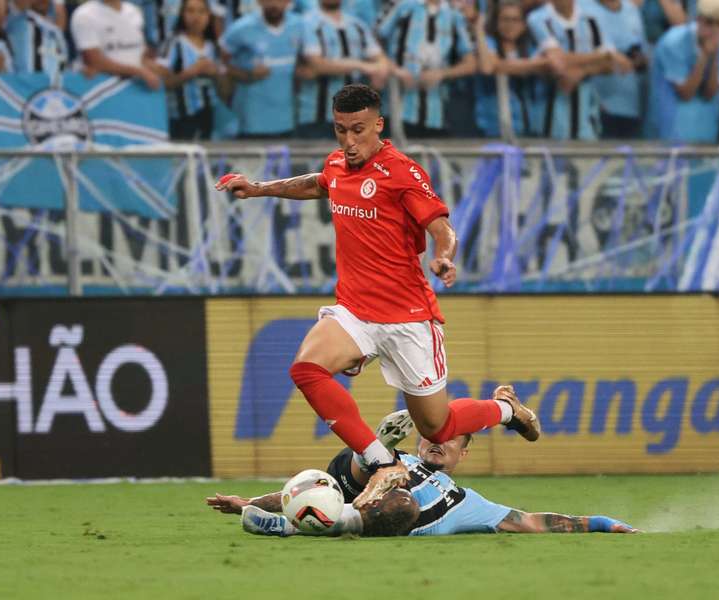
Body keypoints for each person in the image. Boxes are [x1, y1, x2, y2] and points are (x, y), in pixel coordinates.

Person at [215, 83, 540, 510]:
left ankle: (504, 409)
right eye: (340, 130)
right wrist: (258, 188)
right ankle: (382, 462)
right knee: (306, 369)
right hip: (355, 310)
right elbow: (319, 183)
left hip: (408, 318)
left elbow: (441, 226)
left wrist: (444, 258)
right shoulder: (337, 163)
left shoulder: (402, 171)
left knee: (438, 428)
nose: (349, 142)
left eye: (358, 130)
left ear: (379, 126)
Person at [207, 410, 638, 537]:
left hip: (393, 517)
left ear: (462, 455)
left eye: (450, 438)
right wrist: (246, 502)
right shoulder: (401, 461)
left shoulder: (468, 503)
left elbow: (529, 521)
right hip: (358, 488)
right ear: (420, 438)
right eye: (433, 432)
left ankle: (295, 529)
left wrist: (600, 523)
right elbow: (327, 488)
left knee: (403, 502)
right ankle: (298, 518)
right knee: (350, 471)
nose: (438, 440)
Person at [527, 0, 633, 140]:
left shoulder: (591, 19)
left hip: (586, 117)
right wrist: (605, 55)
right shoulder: (538, 18)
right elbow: (558, 60)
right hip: (549, 115)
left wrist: (583, 71)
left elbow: (617, 65)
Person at [378, 0, 477, 137]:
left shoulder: (455, 15)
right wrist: (396, 70)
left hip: (438, 114)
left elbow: (471, 64)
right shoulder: (401, 6)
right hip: (396, 108)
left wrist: (442, 74)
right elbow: (372, 44)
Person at [295, 0, 390, 138]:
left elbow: (380, 59)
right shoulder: (306, 23)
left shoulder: (357, 25)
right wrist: (362, 66)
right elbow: (316, 64)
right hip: (318, 116)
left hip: (355, 118)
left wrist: (380, 71)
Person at [650, 0, 719, 142]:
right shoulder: (673, 42)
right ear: (698, 19)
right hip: (672, 126)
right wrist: (704, 56)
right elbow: (686, 93)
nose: (714, 30)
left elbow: (710, 94)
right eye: (709, 22)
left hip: (705, 128)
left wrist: (714, 56)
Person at [219, 0, 305, 138]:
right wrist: (247, 75)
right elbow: (221, 65)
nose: (273, 4)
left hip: (288, 120)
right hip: (251, 122)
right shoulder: (241, 29)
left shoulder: (300, 25)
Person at [153, 0, 228, 140]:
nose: (196, 17)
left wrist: (216, 74)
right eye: (190, 11)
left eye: (201, 11)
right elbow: (161, 83)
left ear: (208, 15)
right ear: (182, 14)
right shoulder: (173, 43)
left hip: (211, 118)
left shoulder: (214, 47)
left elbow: (225, 91)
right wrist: (190, 72)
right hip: (181, 120)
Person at [473, 0, 547, 137]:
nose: (510, 25)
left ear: (524, 24)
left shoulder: (531, 47)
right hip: (492, 127)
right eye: (504, 20)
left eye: (515, 20)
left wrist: (501, 66)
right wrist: (479, 30)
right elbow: (488, 67)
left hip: (528, 126)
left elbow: (547, 65)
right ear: (497, 23)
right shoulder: (489, 43)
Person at [583, 0, 650, 139]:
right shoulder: (582, 8)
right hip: (598, 106)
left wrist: (639, 59)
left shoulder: (631, 10)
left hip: (631, 105)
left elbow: (642, 50)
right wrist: (611, 57)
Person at [70, 0, 161, 89]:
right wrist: (139, 71)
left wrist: (150, 66)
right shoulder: (84, 15)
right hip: (101, 87)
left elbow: (140, 50)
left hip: (137, 85)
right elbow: (94, 61)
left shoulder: (134, 11)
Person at [5, 0, 67, 76]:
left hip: (51, 85)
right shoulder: (17, 20)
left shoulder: (56, 32)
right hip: (22, 84)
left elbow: (63, 65)